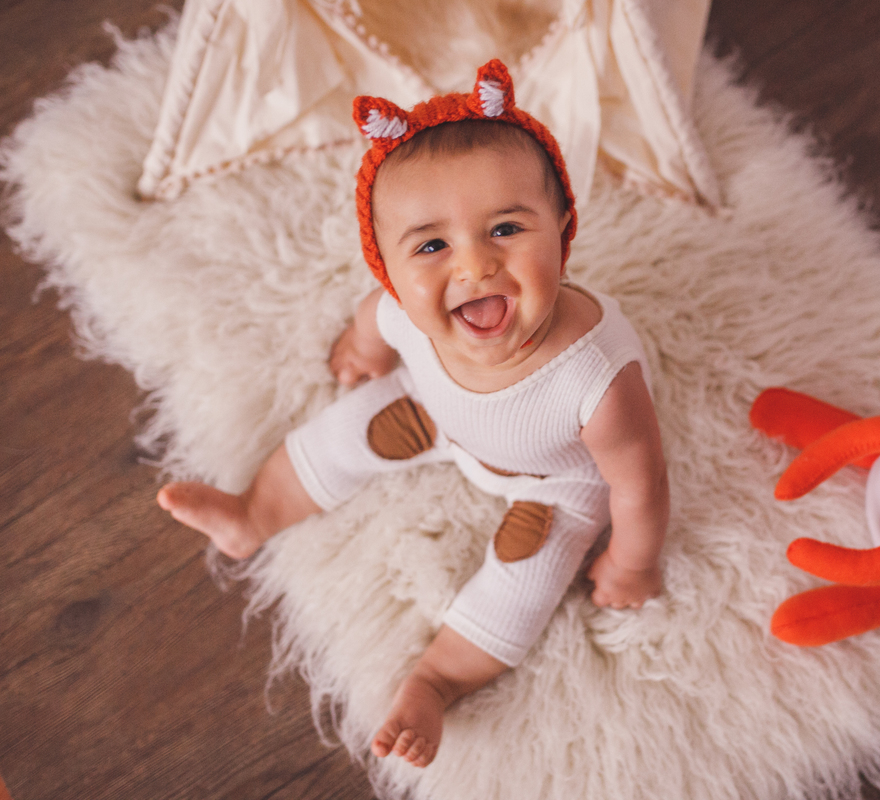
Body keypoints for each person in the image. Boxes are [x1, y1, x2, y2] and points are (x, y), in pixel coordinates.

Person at [156, 60, 669, 769]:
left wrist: (633, 560)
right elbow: (376, 323)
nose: (474, 267)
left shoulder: (596, 377)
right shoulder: (402, 313)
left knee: (524, 580)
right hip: (440, 416)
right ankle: (253, 515)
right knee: (343, 432)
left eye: (507, 229)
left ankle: (436, 679)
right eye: (431, 246)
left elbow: (639, 484)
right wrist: (363, 348)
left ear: (562, 230)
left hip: (553, 479)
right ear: (390, 272)